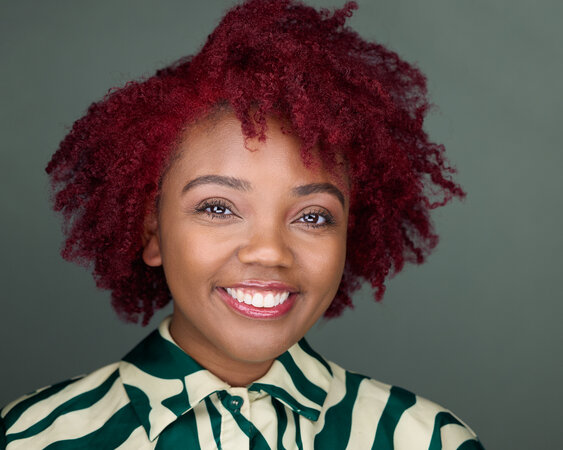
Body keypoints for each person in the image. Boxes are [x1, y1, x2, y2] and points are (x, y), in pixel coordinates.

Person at [0, 0, 485, 448]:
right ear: (152, 231)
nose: (269, 250)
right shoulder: (31, 439)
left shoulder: (427, 440)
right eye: (218, 208)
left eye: (313, 216)